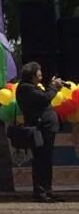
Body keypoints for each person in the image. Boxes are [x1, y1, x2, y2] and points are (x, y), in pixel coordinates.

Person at [15, 62, 63, 202]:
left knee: (47, 160)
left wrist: (53, 87)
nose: (41, 73)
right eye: (38, 71)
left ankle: (48, 189)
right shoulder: (25, 88)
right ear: (32, 74)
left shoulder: (33, 87)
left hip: (47, 128)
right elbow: (45, 98)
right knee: (40, 160)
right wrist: (53, 87)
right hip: (39, 128)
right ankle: (40, 191)